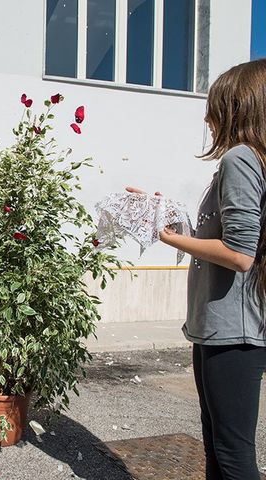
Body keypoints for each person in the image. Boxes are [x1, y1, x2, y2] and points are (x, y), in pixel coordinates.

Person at [132, 58, 266, 479]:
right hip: (224, 327)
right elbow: (232, 237)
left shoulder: (241, 158)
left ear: (238, 107)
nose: (208, 118)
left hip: (233, 330)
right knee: (220, 449)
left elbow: (240, 253)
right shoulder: (252, 159)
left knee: (231, 456)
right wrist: (169, 216)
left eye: (216, 106)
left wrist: (169, 238)